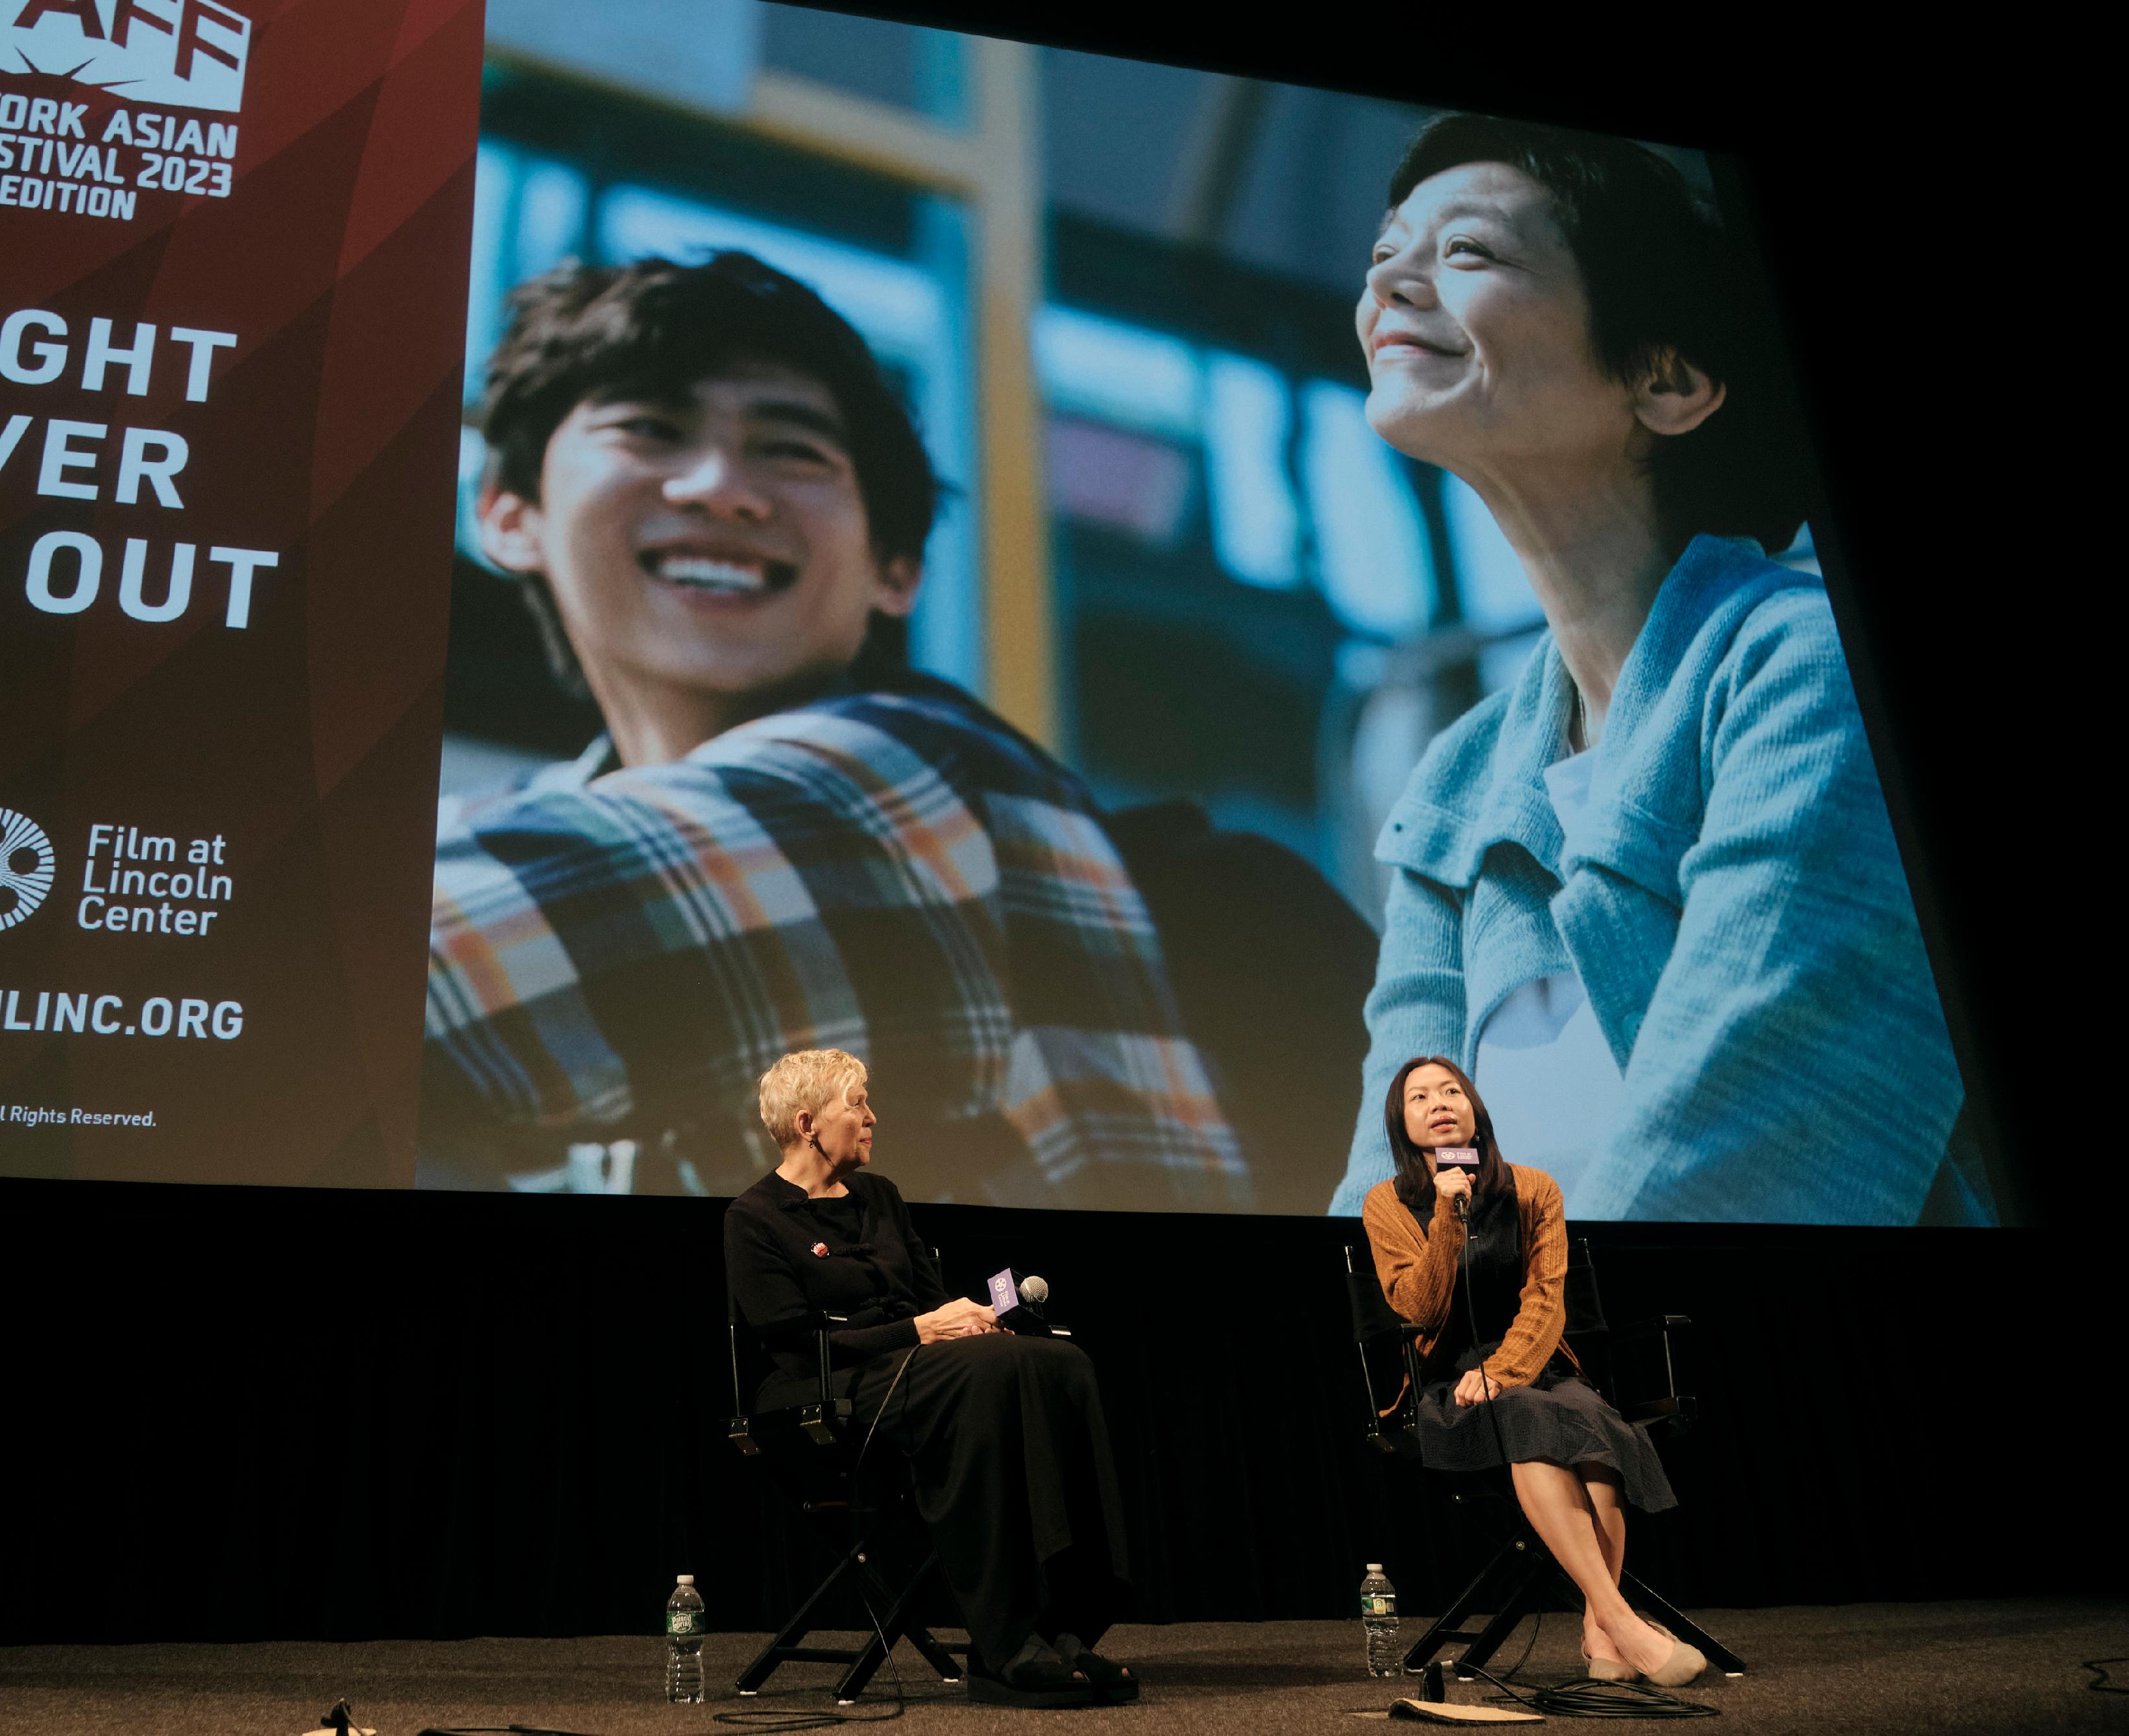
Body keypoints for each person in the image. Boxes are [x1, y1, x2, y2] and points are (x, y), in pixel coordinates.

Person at [420, 250, 1255, 1211]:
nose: (720, 487)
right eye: (651, 429)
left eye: (792, 450)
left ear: (896, 568)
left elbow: (340, 971)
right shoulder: (546, 813)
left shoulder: (909, 772)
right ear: (508, 514)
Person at [1329, 116, 1974, 1225]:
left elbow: (1738, 1175)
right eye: (1388, 250)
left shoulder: (1811, 674)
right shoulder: (1457, 780)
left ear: (1667, 379)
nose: (1393, 278)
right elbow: (1383, 1204)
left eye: (1468, 252)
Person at [723, 1047, 1137, 1706]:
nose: (872, 1117)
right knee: (986, 1377)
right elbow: (798, 1346)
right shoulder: (754, 1218)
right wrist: (923, 1331)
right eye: (857, 1105)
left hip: (921, 1367)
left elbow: (927, 1300)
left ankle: (1064, 1623)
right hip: (823, 1387)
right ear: (807, 1124)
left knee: (1060, 1361)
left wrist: (967, 1320)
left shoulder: (880, 1196)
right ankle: (1002, 1645)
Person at [1363, 1056, 1703, 1687]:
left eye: (1450, 1091)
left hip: (1532, 1361)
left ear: (1473, 1108)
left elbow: (1546, 1299)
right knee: (1529, 1419)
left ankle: (1600, 1630)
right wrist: (1444, 1216)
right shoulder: (1387, 1204)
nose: (1438, 1103)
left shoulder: (1535, 1189)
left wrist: (1505, 1369)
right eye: (1418, 1097)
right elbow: (1419, 1306)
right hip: (1449, 1381)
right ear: (1401, 1123)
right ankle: (1621, 1627)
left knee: (1590, 1424)